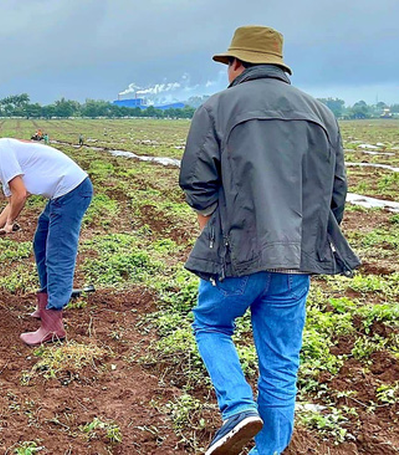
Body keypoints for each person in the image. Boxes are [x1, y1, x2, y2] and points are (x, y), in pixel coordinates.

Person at [178, 25, 359, 455]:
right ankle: (268, 451)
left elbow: (194, 180)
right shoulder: (322, 113)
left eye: (228, 65)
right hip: (296, 262)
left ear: (238, 64)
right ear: (278, 65)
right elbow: (336, 193)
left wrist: (212, 223)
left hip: (237, 255)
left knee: (211, 325)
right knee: (280, 364)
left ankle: (238, 408)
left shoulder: (217, 108)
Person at [0, 125, 93, 345]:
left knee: (57, 253)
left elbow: (21, 194)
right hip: (61, 195)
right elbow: (12, 202)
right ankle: (45, 303)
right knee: (41, 243)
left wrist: (10, 223)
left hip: (71, 191)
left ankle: (53, 324)